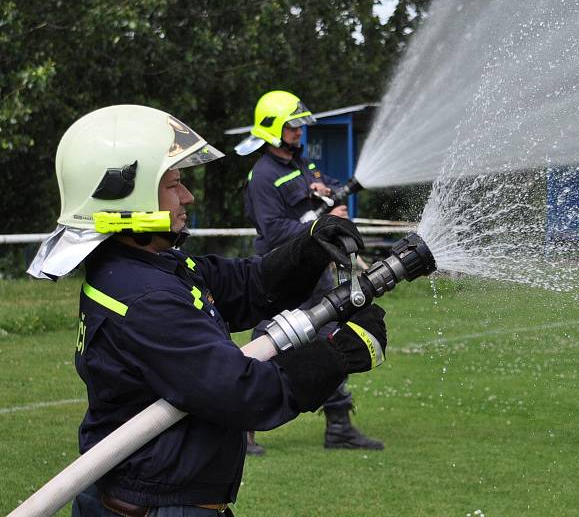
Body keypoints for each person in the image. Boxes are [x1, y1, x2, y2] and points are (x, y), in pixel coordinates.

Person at [28, 105, 387, 516]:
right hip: (158, 508)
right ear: (125, 194)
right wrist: (340, 353)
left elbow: (247, 286)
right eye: (174, 185)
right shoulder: (143, 298)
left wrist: (308, 248)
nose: (188, 197)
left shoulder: (146, 268)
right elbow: (241, 391)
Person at [236, 90, 384, 452]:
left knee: (331, 340)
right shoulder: (263, 176)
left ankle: (338, 425)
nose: (299, 131)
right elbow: (274, 231)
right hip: (282, 276)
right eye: (292, 125)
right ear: (272, 128)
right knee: (267, 346)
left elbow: (319, 196)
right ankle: (241, 429)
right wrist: (324, 223)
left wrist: (326, 191)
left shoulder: (300, 166)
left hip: (315, 272)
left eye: (301, 124)